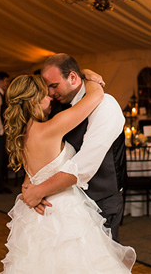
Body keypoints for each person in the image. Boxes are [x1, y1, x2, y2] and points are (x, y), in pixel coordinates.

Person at [0, 74, 135, 272]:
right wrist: (87, 74)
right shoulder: (51, 128)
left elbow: (34, 172)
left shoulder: (21, 135)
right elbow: (96, 95)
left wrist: (31, 187)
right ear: (34, 99)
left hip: (35, 213)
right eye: (46, 94)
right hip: (63, 213)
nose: (51, 97)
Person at [21, 54, 127, 241]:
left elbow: (84, 167)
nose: (51, 93)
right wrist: (29, 182)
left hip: (101, 200)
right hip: (63, 202)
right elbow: (43, 152)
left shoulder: (105, 106)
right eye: (48, 89)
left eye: (54, 86)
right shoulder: (56, 106)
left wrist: (39, 190)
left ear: (72, 77)